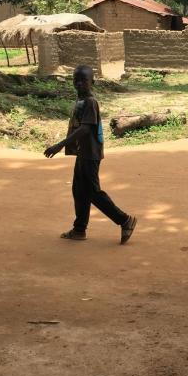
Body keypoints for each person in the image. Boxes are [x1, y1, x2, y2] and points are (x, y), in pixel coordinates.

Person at [44, 65, 137, 244]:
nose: (79, 84)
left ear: (92, 82)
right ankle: (79, 229)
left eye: (83, 81)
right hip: (83, 153)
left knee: (93, 192)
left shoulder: (90, 102)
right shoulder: (81, 100)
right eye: (75, 80)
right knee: (79, 191)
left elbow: (86, 129)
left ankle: (125, 220)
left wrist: (59, 145)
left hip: (90, 154)